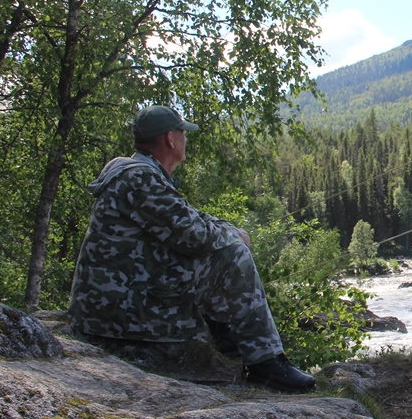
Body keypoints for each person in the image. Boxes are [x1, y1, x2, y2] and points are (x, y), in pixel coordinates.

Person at [68, 105, 316, 392]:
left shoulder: (137, 172)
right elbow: (195, 236)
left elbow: (187, 217)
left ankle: (228, 342)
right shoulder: (141, 178)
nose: (186, 140)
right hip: (119, 312)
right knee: (233, 254)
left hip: (112, 302)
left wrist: (228, 229)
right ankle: (265, 362)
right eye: (183, 133)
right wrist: (234, 236)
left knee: (226, 245)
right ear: (170, 139)